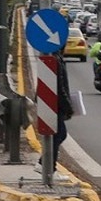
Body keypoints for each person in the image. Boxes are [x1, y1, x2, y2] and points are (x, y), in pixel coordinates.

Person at [34, 44, 74, 182]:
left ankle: (46, 165)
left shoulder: (54, 58)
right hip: (54, 104)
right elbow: (60, 87)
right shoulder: (55, 60)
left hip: (51, 103)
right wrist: (68, 106)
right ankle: (47, 166)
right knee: (58, 134)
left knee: (57, 135)